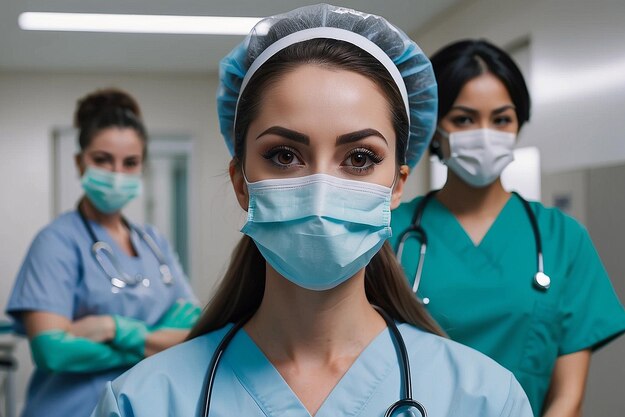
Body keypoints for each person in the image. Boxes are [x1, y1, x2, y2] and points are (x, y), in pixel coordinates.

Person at [91, 5, 533, 417]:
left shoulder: (485, 398)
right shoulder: (145, 400)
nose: (321, 194)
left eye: (360, 158)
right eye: (285, 155)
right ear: (241, 183)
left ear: (397, 185)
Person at [390, 39, 625, 416]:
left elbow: (568, 397)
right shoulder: (390, 232)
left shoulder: (562, 238)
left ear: (518, 124)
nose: (485, 133)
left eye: (501, 119)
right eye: (464, 119)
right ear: (434, 127)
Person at [6, 88, 201, 417]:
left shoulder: (154, 241)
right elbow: (52, 351)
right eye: (102, 160)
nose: (116, 174)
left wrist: (113, 328)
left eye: (130, 163)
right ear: (79, 162)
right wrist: (154, 342)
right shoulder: (56, 241)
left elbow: (194, 329)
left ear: (142, 167)